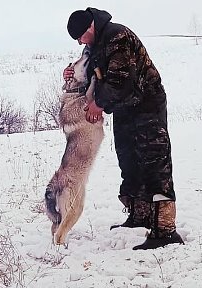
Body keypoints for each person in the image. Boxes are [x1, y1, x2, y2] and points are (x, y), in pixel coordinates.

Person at [63, 7, 184, 250]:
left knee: (154, 163)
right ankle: (139, 216)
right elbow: (92, 76)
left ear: (90, 28)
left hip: (147, 105)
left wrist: (99, 104)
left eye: (80, 37)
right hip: (124, 109)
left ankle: (165, 230)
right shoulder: (94, 44)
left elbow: (121, 80)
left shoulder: (117, 37)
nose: (79, 43)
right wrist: (70, 73)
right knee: (129, 161)